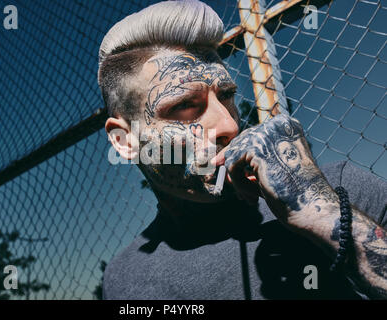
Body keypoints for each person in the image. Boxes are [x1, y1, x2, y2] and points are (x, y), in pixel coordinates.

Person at [97, 0, 386, 299]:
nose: (229, 125)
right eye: (184, 105)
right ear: (125, 141)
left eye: (227, 95)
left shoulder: (342, 192)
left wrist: (324, 215)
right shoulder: (124, 279)